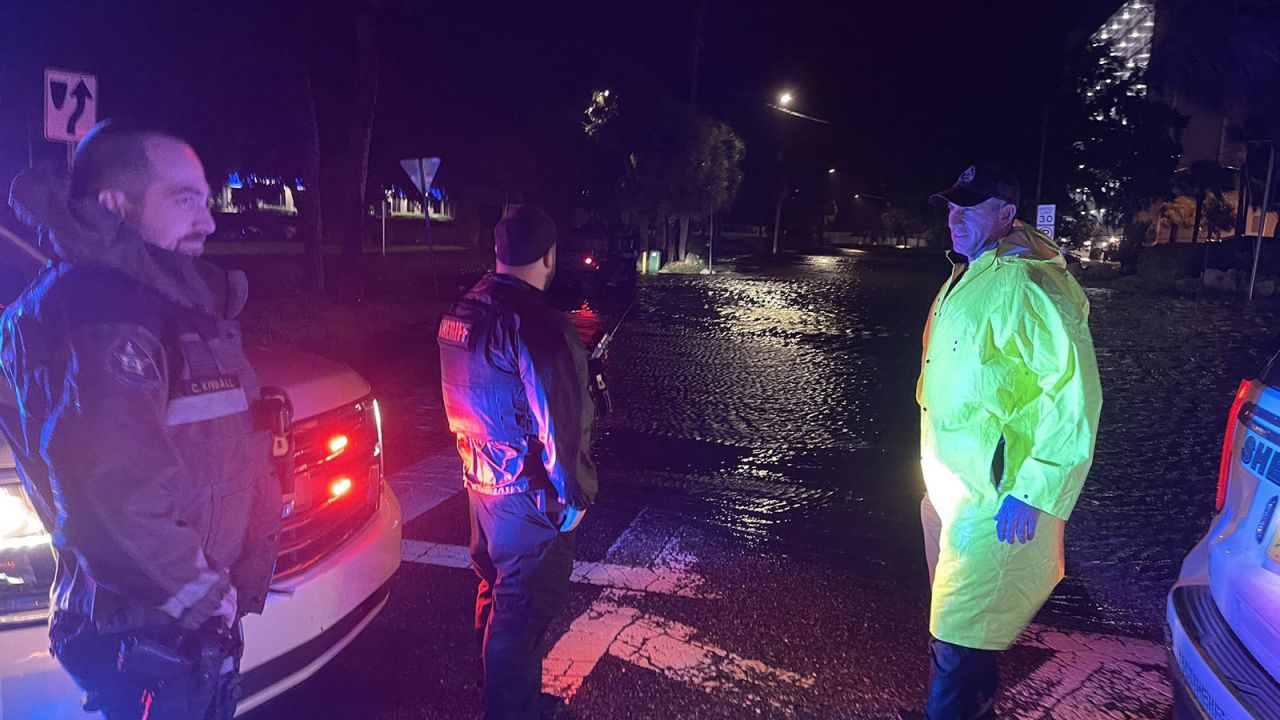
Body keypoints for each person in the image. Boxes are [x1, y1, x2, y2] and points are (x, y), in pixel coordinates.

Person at [0, 121, 282, 718]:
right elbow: (113, 493)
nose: (207, 221)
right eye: (185, 201)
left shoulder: (172, 306)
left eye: (206, 201)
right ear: (115, 204)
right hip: (146, 627)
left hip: (185, 619)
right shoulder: (98, 310)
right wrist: (203, 594)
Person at [904, 163, 1102, 719]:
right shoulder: (968, 274)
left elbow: (1073, 392)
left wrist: (1037, 485)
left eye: (971, 207)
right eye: (950, 206)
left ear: (1006, 215)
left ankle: (947, 714)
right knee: (962, 614)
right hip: (951, 485)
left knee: (957, 624)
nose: (954, 218)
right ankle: (978, 704)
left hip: (995, 494)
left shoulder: (1028, 282)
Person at [437, 205, 597, 720]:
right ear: (550, 258)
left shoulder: (464, 310)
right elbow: (560, 415)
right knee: (521, 612)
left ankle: (511, 697)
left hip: (482, 488)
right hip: (527, 499)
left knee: (498, 593)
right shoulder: (536, 323)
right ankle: (511, 712)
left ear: (499, 252)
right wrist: (572, 493)